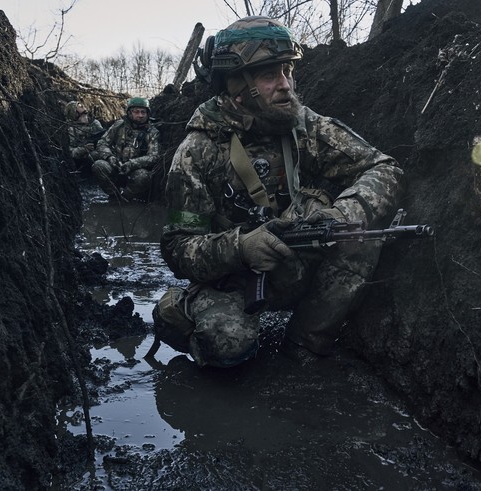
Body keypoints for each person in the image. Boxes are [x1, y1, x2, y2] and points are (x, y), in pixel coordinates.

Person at [151, 16, 405, 368]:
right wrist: (241, 247)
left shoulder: (303, 125)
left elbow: (384, 168)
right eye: (270, 74)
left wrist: (341, 215)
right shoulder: (198, 150)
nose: (286, 85)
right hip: (232, 281)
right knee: (225, 345)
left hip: (296, 261)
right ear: (236, 84)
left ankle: (303, 348)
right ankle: (179, 313)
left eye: (288, 71)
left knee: (359, 237)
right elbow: (178, 248)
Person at [91, 97, 161, 201]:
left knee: (143, 177)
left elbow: (154, 156)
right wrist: (110, 157)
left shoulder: (152, 132)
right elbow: (102, 142)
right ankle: (114, 196)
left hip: (135, 171)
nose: (140, 115)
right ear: (129, 113)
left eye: (143, 112)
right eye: (136, 112)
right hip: (116, 166)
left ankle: (126, 198)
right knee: (98, 166)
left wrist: (132, 164)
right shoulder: (119, 126)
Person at [65, 100, 105, 171]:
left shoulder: (95, 123)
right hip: (84, 160)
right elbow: (71, 153)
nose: (82, 106)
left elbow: (103, 138)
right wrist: (84, 149)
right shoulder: (72, 130)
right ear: (75, 113)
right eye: (79, 106)